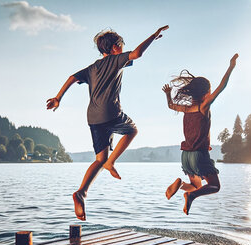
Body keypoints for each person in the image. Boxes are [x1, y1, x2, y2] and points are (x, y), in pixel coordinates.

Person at [46, 25, 169, 220]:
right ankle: (112, 162)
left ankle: (81, 192)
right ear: (114, 48)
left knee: (99, 160)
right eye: (120, 46)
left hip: (93, 118)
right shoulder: (116, 60)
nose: (122, 49)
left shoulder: (93, 67)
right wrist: (153, 36)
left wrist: (58, 97)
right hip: (110, 113)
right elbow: (137, 53)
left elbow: (72, 77)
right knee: (132, 130)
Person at [162, 53, 238, 214]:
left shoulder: (186, 108)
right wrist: (231, 67)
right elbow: (222, 87)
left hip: (186, 156)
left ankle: (180, 185)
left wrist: (168, 94)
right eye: (210, 91)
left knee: (197, 185)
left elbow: (171, 105)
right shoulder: (203, 107)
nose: (211, 93)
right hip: (199, 155)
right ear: (205, 93)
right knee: (214, 186)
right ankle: (191, 197)